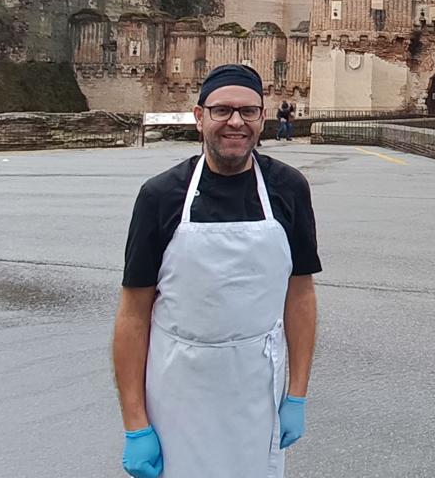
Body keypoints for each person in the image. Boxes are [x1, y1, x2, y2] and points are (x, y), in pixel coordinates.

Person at [112, 64, 321, 478]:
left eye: (248, 111)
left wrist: (297, 394)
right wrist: (135, 423)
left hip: (255, 386)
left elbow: (300, 295)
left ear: (263, 117)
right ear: (199, 116)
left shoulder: (288, 188)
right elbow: (133, 313)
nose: (235, 122)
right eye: (222, 110)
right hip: (179, 387)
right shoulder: (160, 196)